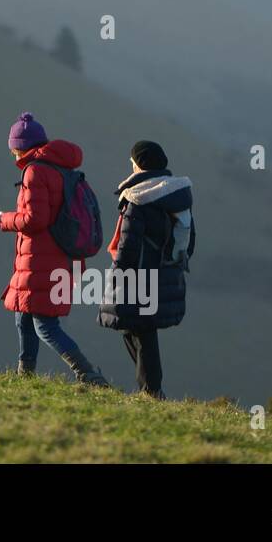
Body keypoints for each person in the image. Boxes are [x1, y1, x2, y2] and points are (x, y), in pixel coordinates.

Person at [0, 112, 108, 386]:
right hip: (60, 256)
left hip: (42, 259)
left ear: (18, 147)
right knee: (24, 317)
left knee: (44, 325)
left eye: (13, 149)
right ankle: (24, 377)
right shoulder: (64, 170)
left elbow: (34, 219)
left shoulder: (35, 171)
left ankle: (87, 374)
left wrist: (3, 219)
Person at [97, 140, 195, 398]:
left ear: (140, 164)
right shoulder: (178, 196)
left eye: (133, 162)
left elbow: (129, 242)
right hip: (166, 273)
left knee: (139, 330)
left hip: (139, 275)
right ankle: (150, 388)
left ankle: (151, 391)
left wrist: (119, 274)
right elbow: (191, 240)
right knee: (138, 328)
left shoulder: (138, 198)